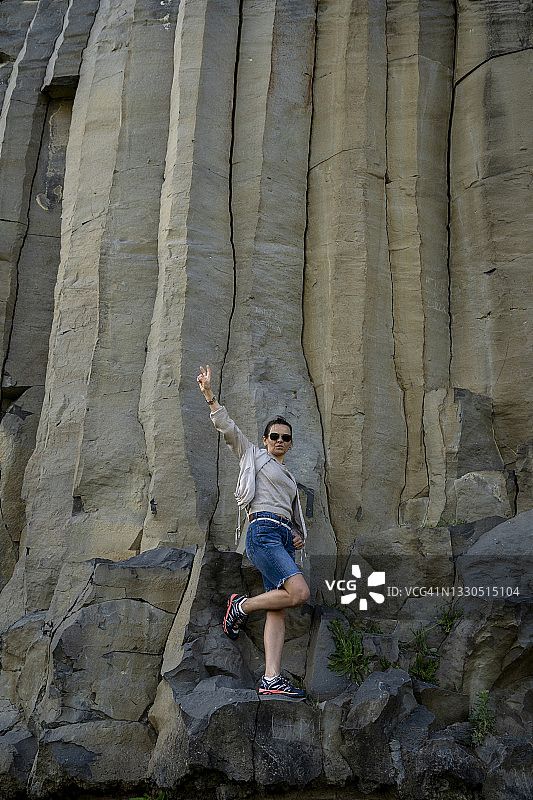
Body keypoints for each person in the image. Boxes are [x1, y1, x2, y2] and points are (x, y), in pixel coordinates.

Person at [197, 365, 310, 699]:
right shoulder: (253, 455)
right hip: (261, 532)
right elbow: (228, 429)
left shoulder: (289, 478)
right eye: (273, 435)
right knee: (300, 592)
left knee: (279, 608)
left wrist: (295, 533)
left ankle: (271, 678)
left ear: (290, 444)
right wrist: (209, 395)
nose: (279, 440)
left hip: (282, 537)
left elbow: (288, 512)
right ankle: (241, 607)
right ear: (264, 440)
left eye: (285, 437)